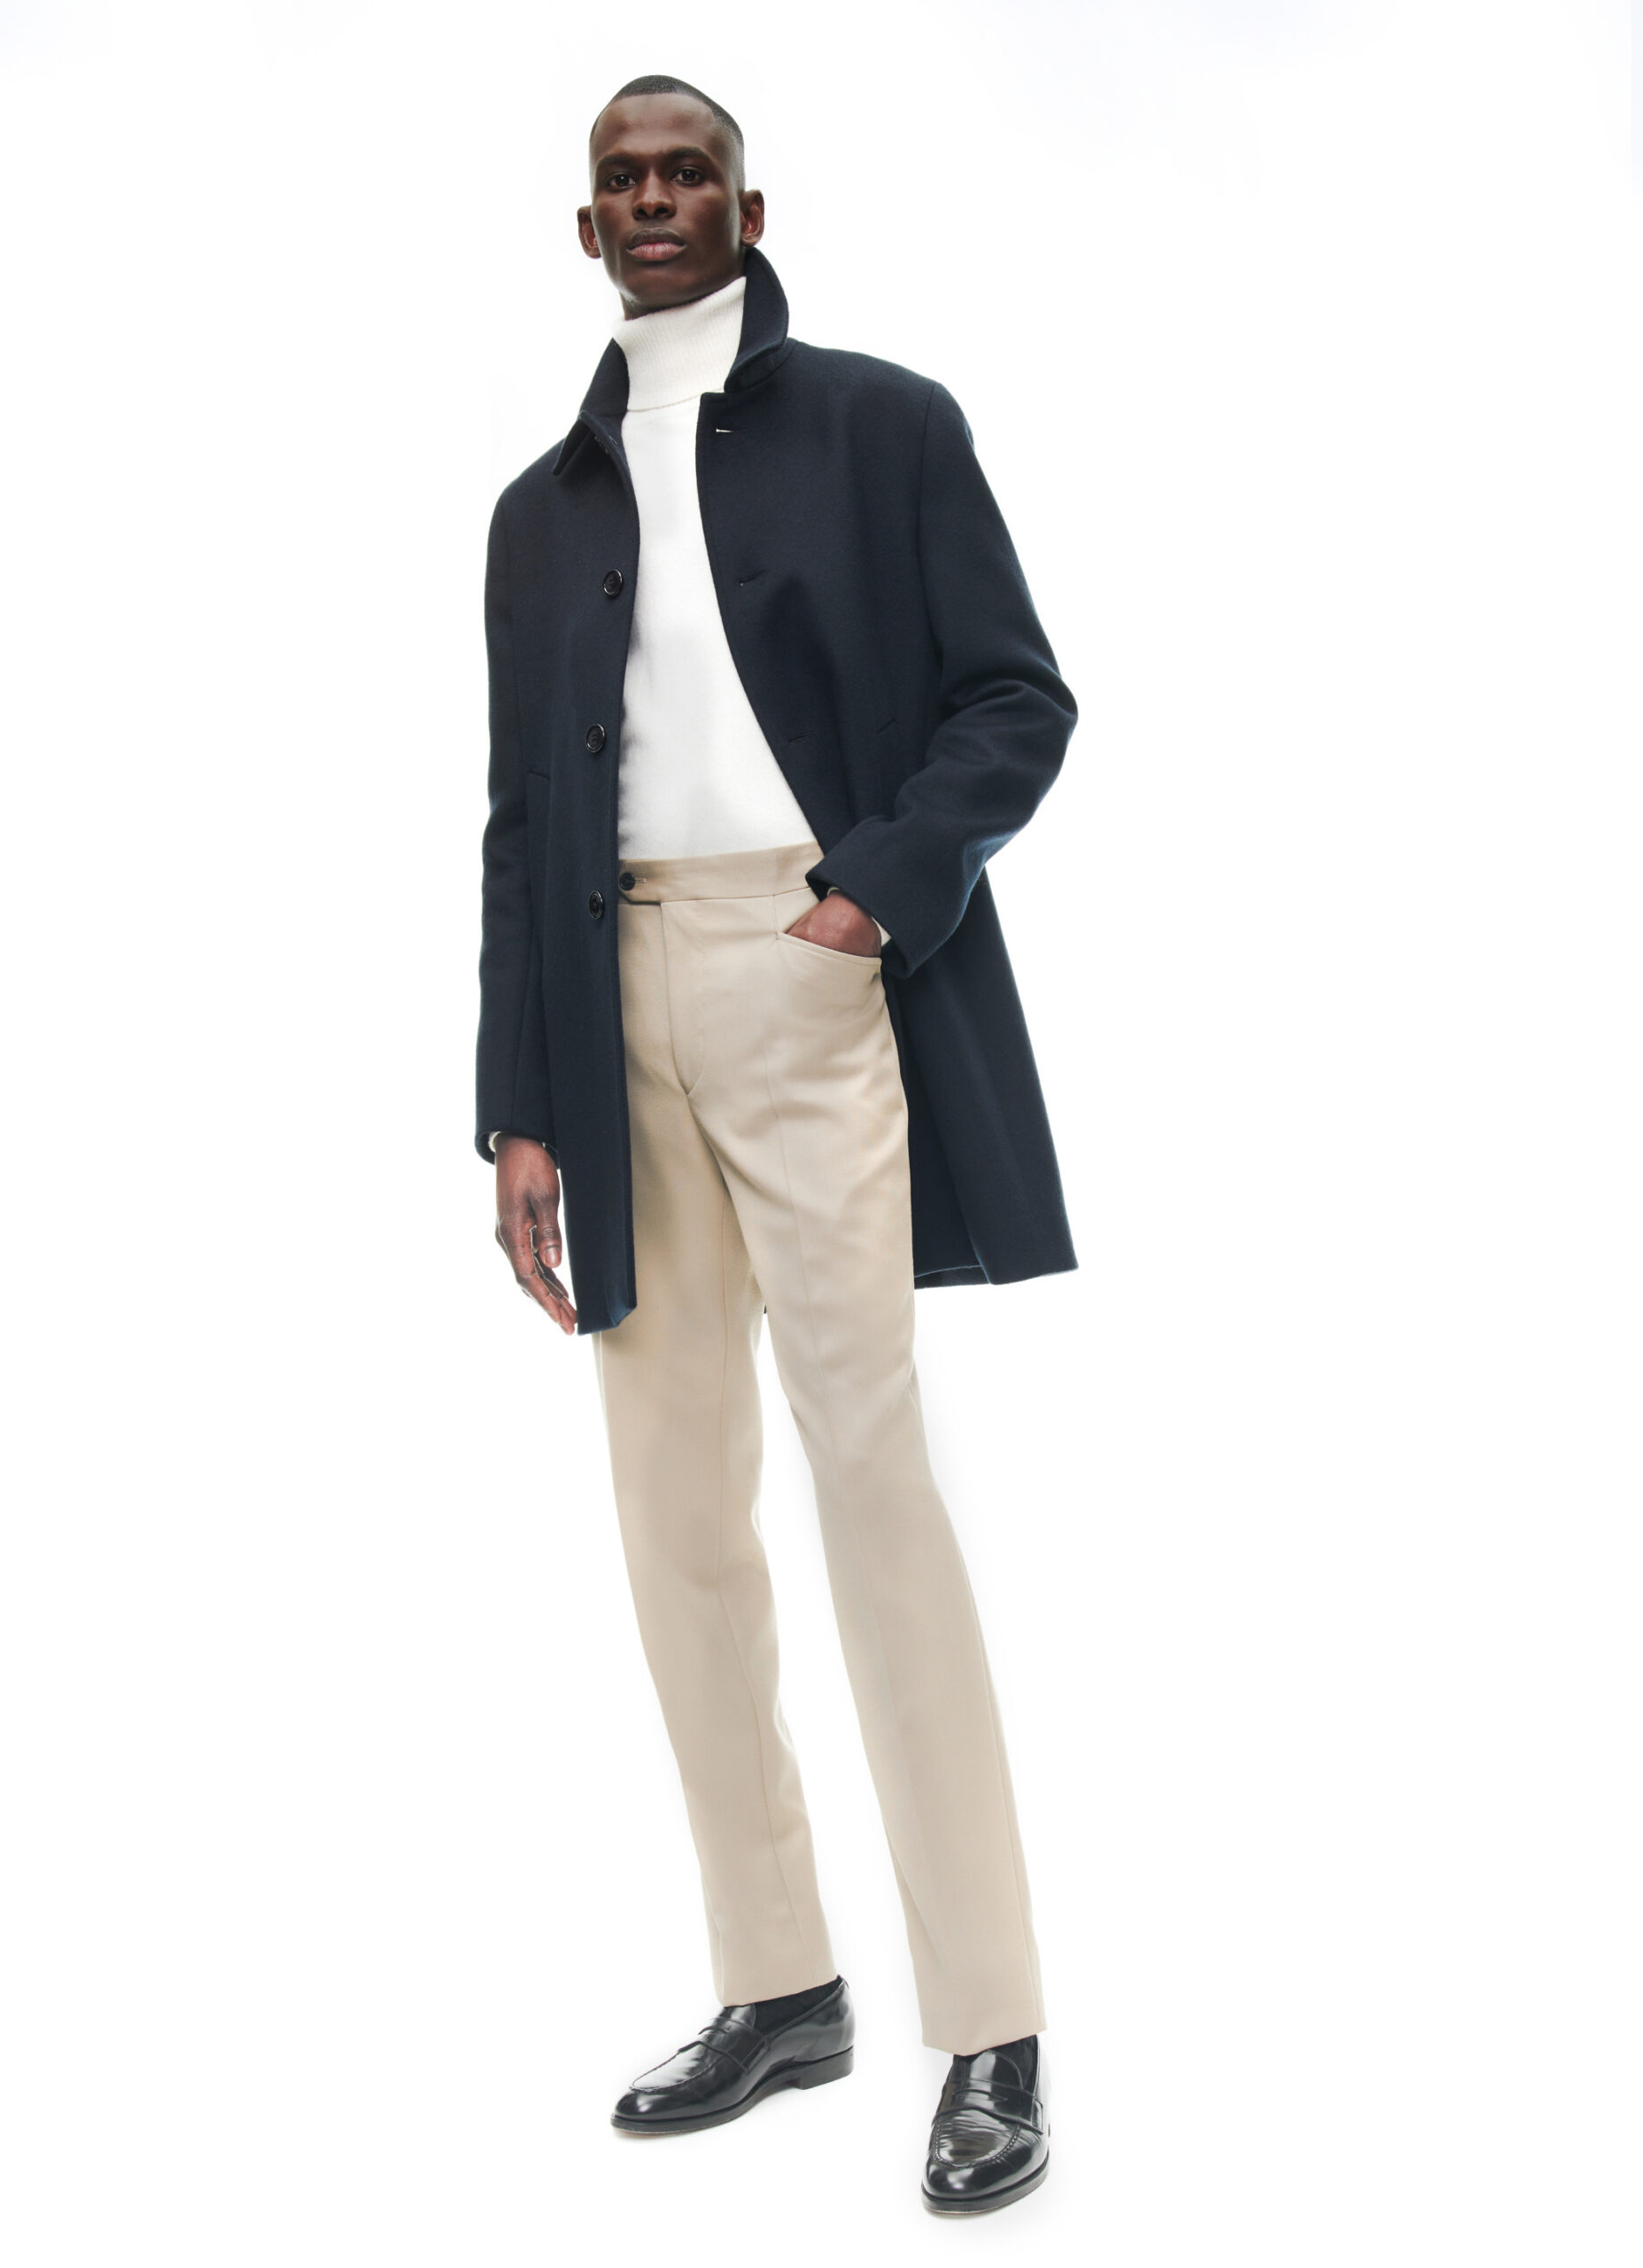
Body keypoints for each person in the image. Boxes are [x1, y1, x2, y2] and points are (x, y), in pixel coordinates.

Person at [477, 73, 1076, 2216]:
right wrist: (516, 1100)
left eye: (688, 172)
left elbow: (1016, 702)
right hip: (604, 992)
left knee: (870, 1477)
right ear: (588, 228)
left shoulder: (884, 426)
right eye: (621, 180)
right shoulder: (536, 508)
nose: (655, 200)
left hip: (811, 968)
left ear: (746, 202)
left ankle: (989, 2017)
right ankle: (778, 1979)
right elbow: (521, 819)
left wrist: (871, 893)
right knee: (674, 1514)